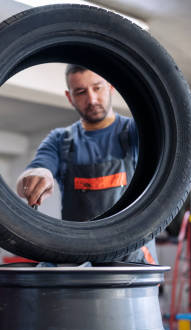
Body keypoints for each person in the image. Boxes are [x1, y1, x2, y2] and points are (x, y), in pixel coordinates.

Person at [16, 65, 157, 264]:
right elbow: (36, 168)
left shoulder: (136, 132)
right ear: (69, 97)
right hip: (79, 259)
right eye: (81, 92)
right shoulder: (60, 140)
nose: (91, 99)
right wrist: (36, 177)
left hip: (132, 259)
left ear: (110, 86)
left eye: (97, 88)